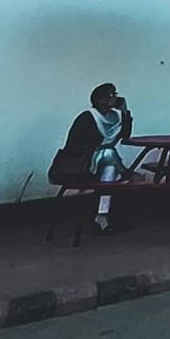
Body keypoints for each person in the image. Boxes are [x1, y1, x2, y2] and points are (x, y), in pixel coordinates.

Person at [50, 82, 133, 232]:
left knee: (109, 169)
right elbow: (73, 145)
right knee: (109, 153)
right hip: (83, 164)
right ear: (101, 100)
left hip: (103, 163)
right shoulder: (88, 118)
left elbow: (125, 136)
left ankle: (102, 215)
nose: (115, 98)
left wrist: (125, 112)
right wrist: (94, 151)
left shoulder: (115, 117)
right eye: (111, 95)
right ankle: (125, 172)